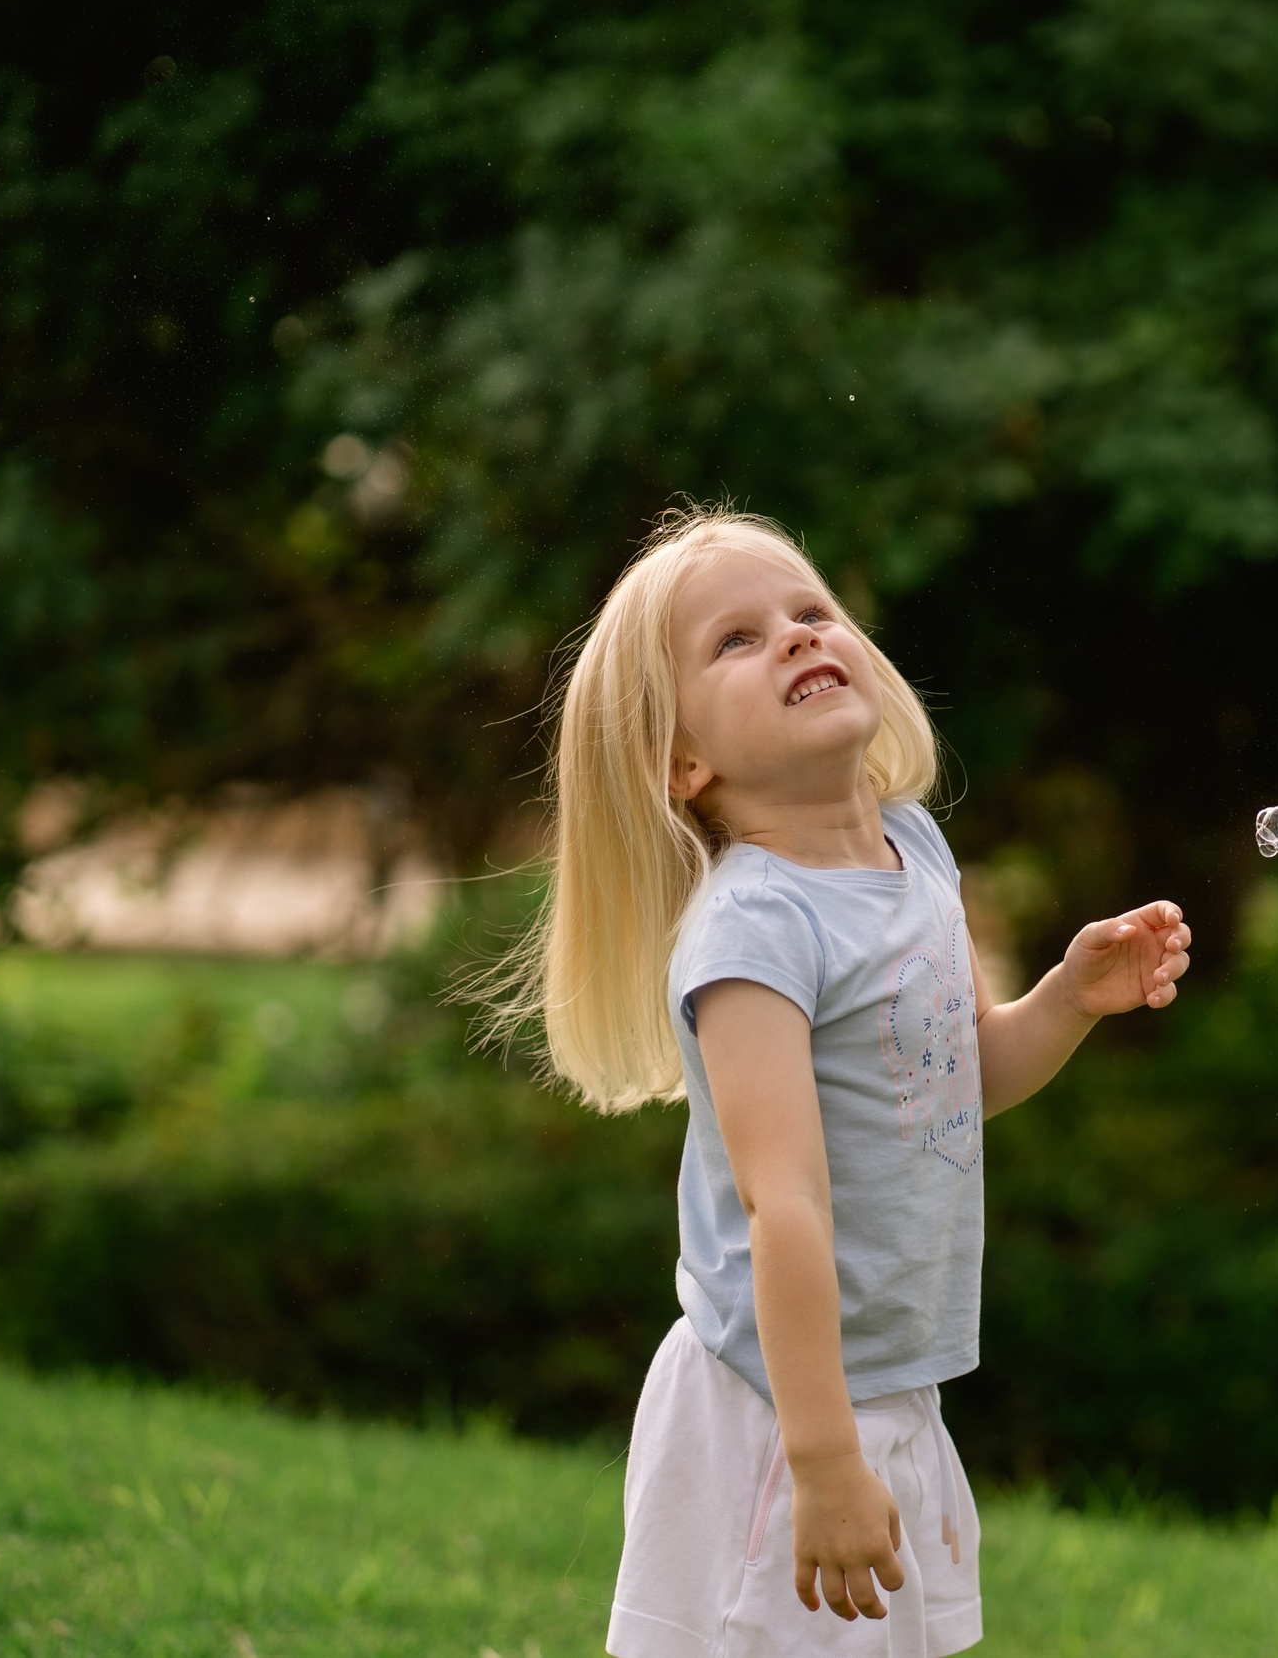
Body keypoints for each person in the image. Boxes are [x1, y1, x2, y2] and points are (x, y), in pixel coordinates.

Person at [488, 506, 1193, 1657]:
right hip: (779, 1411)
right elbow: (787, 1207)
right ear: (682, 762)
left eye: (810, 612)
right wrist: (820, 1462)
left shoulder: (913, 847)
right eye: (736, 640)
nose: (796, 637)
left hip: (885, 1380)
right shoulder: (753, 934)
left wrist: (1065, 1001)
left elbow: (949, 1087)